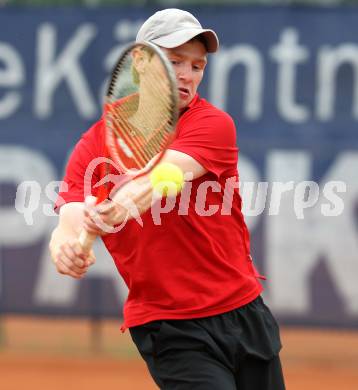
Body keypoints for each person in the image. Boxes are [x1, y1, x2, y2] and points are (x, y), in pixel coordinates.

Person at [50, 8, 286, 389]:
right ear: (140, 62)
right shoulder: (95, 143)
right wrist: (64, 245)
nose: (186, 75)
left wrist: (121, 206)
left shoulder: (213, 124)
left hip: (244, 312)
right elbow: (71, 214)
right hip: (169, 328)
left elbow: (165, 177)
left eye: (197, 66)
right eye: (174, 61)